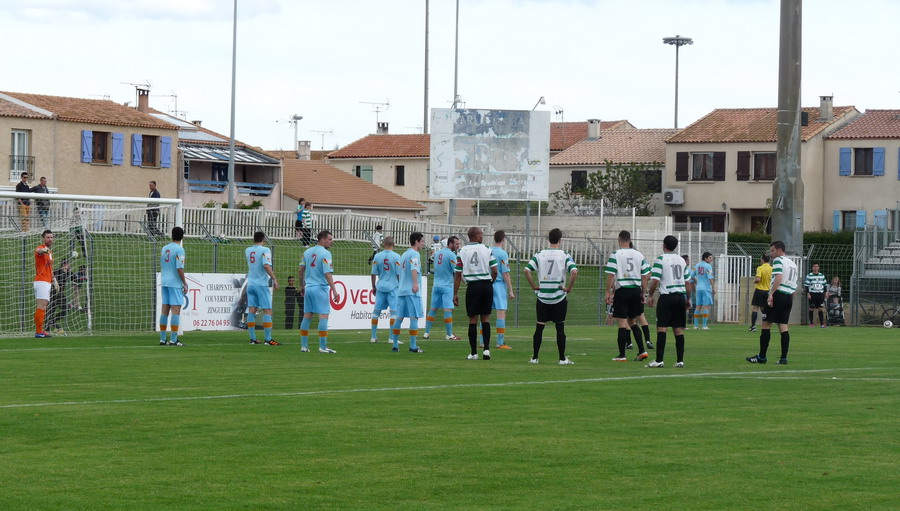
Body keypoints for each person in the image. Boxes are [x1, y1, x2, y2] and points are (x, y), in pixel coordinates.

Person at [524, 228, 578, 364]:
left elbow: (527, 270)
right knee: (560, 328)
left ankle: (535, 357)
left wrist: (534, 286)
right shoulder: (564, 255)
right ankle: (562, 358)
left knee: (539, 327)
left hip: (542, 297)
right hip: (558, 297)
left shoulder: (539, 254)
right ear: (560, 240)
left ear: (548, 239)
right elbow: (574, 272)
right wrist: (568, 288)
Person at [747, 241, 798, 365]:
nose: (771, 253)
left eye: (772, 250)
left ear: (780, 250)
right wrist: (791, 299)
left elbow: (779, 277)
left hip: (778, 295)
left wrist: (771, 295)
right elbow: (795, 284)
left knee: (765, 325)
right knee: (783, 327)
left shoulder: (778, 260)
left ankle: (762, 357)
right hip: (788, 297)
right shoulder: (793, 264)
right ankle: (783, 358)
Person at [645, 235, 692, 368]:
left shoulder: (661, 259)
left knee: (662, 328)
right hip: (680, 297)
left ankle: (659, 360)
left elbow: (655, 280)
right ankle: (680, 360)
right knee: (678, 329)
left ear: (664, 245)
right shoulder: (682, 260)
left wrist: (650, 295)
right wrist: (688, 299)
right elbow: (687, 282)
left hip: (667, 296)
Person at [605, 230, 650, 362]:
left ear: (619, 241)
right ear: (630, 241)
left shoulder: (616, 254)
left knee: (622, 323)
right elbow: (645, 276)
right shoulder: (639, 254)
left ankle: (622, 355)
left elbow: (611, 275)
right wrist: (643, 293)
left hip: (622, 291)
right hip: (636, 290)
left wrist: (608, 292)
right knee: (633, 321)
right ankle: (642, 350)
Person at [453, 227, 498, 360]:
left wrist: (455, 293)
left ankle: (473, 353)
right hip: (486, 284)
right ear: (476, 236)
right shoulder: (487, 249)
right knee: (486, 318)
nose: (482, 237)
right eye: (481, 235)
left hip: (472, 286)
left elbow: (458, 274)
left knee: (473, 319)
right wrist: (491, 283)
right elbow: (495, 270)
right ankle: (487, 350)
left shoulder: (462, 251)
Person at [298, 230, 340, 353]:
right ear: (322, 239)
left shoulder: (307, 252)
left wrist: (302, 286)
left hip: (309, 287)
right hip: (320, 288)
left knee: (307, 316)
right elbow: (327, 273)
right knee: (323, 316)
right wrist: (334, 290)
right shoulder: (326, 254)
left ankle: (304, 346)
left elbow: (300, 270)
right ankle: (322, 347)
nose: (331, 242)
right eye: (330, 239)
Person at [392, 232, 426, 353]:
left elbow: (399, 272)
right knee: (414, 317)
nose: (423, 243)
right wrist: (415, 284)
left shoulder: (403, 255)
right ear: (416, 241)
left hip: (401, 290)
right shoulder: (415, 254)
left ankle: (395, 345)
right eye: (422, 241)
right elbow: (414, 269)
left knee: (399, 318)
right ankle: (413, 346)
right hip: (412, 291)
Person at [423, 236, 462, 340]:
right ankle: (449, 334)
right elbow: (457, 271)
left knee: (433, 309)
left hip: (436, 285)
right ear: (450, 244)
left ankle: (426, 333)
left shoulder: (438, 253)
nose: (458, 246)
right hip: (447, 285)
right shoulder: (451, 255)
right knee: (448, 310)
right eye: (456, 244)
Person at [245, 231, 279, 345]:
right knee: (267, 310)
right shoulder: (265, 250)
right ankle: (268, 339)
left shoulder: (248, 250)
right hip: (261, 284)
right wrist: (274, 278)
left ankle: (252, 339)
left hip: (251, 284)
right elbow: (266, 265)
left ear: (253, 239)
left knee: (252, 310)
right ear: (263, 239)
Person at [159, 226, 188, 346]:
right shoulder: (179, 250)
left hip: (164, 281)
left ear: (172, 235)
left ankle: (162, 338)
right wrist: (184, 283)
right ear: (182, 237)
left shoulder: (164, 248)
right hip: (174, 283)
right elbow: (179, 267)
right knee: (176, 310)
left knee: (165, 310)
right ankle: (174, 339)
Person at [369, 236, 401, 343]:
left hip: (381, 286)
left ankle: (373, 337)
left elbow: (373, 273)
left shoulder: (377, 256)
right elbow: (398, 274)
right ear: (394, 244)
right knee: (394, 313)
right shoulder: (397, 257)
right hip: (393, 287)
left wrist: (373, 286)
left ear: (383, 244)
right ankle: (391, 338)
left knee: (376, 312)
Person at [491, 230, 515, 349]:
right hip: (498, 284)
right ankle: (500, 342)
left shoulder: (488, 251)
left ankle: (481, 341)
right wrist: (510, 289)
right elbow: (505, 273)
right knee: (501, 312)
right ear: (503, 240)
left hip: (487, 283)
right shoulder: (502, 254)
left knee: (485, 312)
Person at [33, 230, 59, 338]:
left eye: (52, 237)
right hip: (41, 281)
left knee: (43, 306)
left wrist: (54, 280)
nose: (50, 239)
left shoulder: (50, 252)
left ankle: (40, 331)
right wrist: (43, 250)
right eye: (48, 237)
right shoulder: (41, 248)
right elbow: (39, 251)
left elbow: (49, 268)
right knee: (41, 306)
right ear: (43, 238)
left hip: (47, 281)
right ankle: (39, 332)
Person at [47, 259, 73, 334]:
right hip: (53, 293)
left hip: (60, 294)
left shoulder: (68, 273)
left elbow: (75, 277)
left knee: (66, 308)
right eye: (68, 264)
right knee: (50, 311)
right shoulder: (57, 271)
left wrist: (83, 277)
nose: (69, 266)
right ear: (64, 264)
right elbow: (51, 278)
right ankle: (48, 328)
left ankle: (53, 321)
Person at [692, 252, 716, 329]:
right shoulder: (708, 266)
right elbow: (710, 277)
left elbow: (691, 276)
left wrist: (696, 283)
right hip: (706, 288)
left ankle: (695, 325)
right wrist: (713, 287)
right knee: (706, 307)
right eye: (709, 258)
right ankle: (704, 326)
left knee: (698, 306)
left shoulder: (696, 265)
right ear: (705, 258)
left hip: (698, 288)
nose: (711, 259)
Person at [749, 254, 772, 332]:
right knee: (764, 309)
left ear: (762, 260)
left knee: (755, 308)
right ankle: (767, 324)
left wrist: (754, 281)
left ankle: (753, 326)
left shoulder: (760, 268)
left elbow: (758, 279)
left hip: (760, 290)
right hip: (768, 291)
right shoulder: (772, 268)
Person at [804, 263, 827, 328]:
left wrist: (825, 293)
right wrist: (808, 293)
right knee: (811, 308)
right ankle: (811, 323)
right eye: (814, 266)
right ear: (812, 268)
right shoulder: (809, 276)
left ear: (818, 267)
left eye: (816, 266)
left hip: (820, 294)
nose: (815, 268)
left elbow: (824, 285)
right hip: (812, 294)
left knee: (820, 308)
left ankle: (822, 324)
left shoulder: (822, 275)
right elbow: (806, 285)